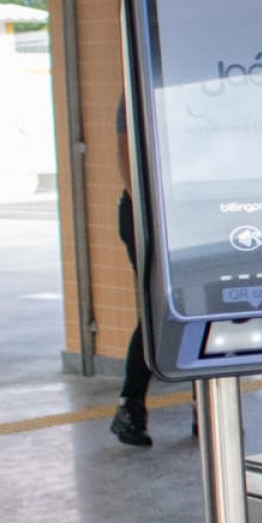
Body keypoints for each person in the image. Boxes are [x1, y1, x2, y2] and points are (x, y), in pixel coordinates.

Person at [109, 99, 152, 446]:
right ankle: (130, 406)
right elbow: (127, 162)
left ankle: (206, 405)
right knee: (154, 311)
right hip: (145, 214)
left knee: (199, 308)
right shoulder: (136, 93)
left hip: (186, 211)